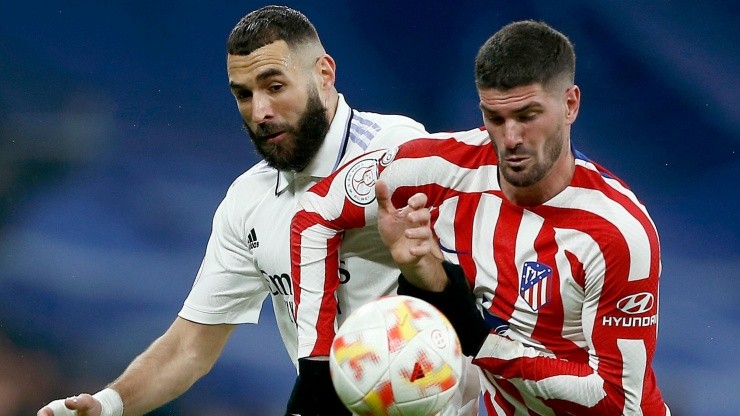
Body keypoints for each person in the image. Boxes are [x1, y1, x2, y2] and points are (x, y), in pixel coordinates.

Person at [37, 6, 481, 416]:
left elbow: (476, 303)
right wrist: (108, 404)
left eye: (274, 86)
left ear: (324, 74)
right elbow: (190, 346)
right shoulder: (246, 203)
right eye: (243, 95)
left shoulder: (396, 152)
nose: (260, 112)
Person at [291, 20, 671, 414]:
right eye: (496, 117)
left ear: (570, 105)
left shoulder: (616, 233)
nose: (510, 139)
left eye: (528, 115)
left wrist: (482, 341)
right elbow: (315, 213)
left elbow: (616, 402)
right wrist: (317, 368)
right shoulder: (441, 168)